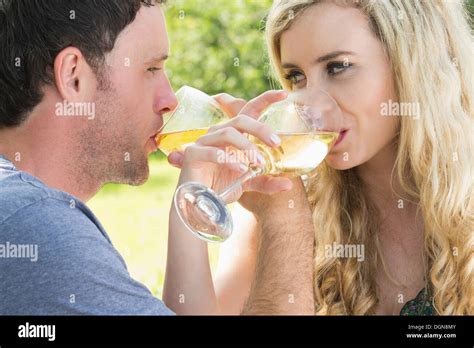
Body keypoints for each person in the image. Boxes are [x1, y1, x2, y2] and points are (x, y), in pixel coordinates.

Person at [0, 0, 312, 315]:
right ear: (73, 76)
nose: (169, 100)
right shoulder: (35, 224)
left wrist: (189, 207)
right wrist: (283, 213)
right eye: (151, 68)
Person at [165, 0, 474, 315]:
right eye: (297, 77)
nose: (309, 105)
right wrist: (191, 202)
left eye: (337, 67)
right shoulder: (279, 197)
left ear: (412, 64)